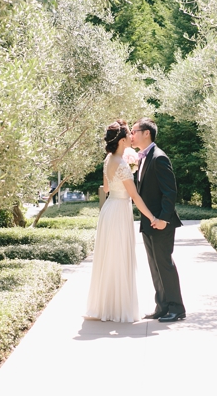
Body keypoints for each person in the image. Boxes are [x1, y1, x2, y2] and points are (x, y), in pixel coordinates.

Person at [85, 120, 158, 323]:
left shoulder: (109, 159)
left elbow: (106, 188)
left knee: (109, 258)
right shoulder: (123, 164)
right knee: (119, 258)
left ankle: (106, 307)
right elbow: (134, 196)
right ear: (123, 140)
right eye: (129, 134)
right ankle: (119, 309)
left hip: (109, 209)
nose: (132, 137)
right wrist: (152, 217)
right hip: (119, 211)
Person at [131, 117, 186, 322]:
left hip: (161, 222)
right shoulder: (143, 157)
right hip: (148, 222)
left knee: (164, 264)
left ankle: (176, 308)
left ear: (147, 133)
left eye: (134, 131)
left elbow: (170, 192)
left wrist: (163, 218)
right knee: (154, 266)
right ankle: (162, 306)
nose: (132, 135)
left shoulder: (159, 157)